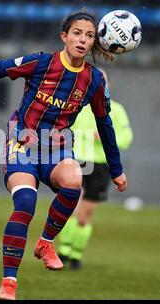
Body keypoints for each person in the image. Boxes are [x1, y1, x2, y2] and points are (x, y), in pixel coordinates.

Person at [0, 10, 127, 300]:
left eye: (89, 35)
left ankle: (46, 242)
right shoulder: (41, 63)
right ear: (64, 36)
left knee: (74, 180)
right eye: (77, 33)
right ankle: (9, 282)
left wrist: (116, 169)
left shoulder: (94, 81)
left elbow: (106, 124)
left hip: (57, 147)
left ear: (94, 42)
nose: (83, 39)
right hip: (21, 143)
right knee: (25, 202)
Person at [58, 69, 133, 270]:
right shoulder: (77, 106)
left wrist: (108, 138)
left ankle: (76, 254)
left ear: (107, 84)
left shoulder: (116, 110)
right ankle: (63, 250)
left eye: (102, 80)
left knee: (85, 216)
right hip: (77, 161)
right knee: (71, 207)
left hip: (100, 166)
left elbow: (127, 138)